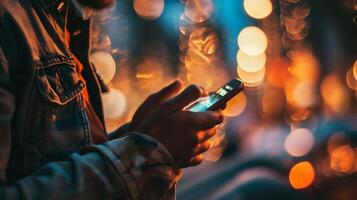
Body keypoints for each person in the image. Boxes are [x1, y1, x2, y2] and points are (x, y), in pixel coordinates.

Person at [0, 0, 223, 199]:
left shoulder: (59, 20)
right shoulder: (10, 22)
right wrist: (145, 153)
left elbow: (60, 160)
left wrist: (137, 135)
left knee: (255, 174)